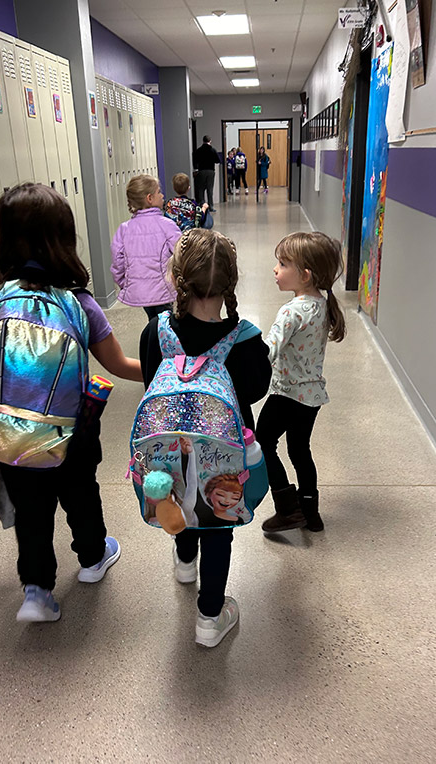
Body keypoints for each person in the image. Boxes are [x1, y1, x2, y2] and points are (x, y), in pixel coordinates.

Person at [0, 183, 143, 622]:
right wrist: (167, 370)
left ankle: (36, 591)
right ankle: (93, 558)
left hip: (7, 434)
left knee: (31, 512)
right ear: (65, 239)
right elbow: (117, 364)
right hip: (71, 430)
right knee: (81, 494)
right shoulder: (78, 301)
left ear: (3, 236)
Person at [139, 229, 271, 647]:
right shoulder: (246, 339)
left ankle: (183, 559)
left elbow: (148, 381)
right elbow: (254, 391)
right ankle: (210, 619)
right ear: (230, 285)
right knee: (219, 526)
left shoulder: (156, 332)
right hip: (224, 454)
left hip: (169, 450)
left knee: (178, 498)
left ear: (178, 279)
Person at [256, 232, 346, 534]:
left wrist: (242, 355)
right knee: (299, 450)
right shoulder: (322, 304)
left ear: (305, 275)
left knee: (262, 443)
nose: (275, 269)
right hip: (312, 396)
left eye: (282, 263)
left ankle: (287, 507)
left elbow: (269, 352)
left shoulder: (291, 311)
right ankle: (311, 512)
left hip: (286, 394)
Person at [111, 174, 181, 320]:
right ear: (150, 198)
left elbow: (117, 263)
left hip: (140, 291)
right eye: (159, 192)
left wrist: (127, 284)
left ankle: (153, 339)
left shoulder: (124, 229)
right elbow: (182, 254)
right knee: (166, 323)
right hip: (163, 291)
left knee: (153, 320)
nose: (162, 195)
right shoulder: (167, 225)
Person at [192, 135, 220, 211]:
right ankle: (210, 206)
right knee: (209, 189)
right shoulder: (213, 150)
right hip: (210, 171)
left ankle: (202, 205)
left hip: (201, 171)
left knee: (201, 189)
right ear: (210, 141)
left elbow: (195, 160)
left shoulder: (199, 150)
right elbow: (218, 160)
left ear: (203, 141)